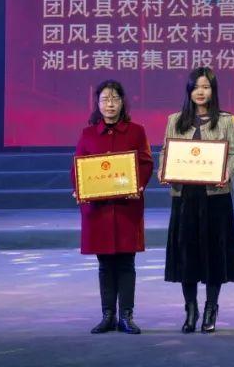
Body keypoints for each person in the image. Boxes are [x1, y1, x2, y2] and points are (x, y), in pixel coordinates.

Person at [160, 67, 234, 334]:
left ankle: (211, 307)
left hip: (215, 198)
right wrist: (164, 170)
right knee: (187, 255)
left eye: (205, 86)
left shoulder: (227, 121)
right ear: (189, 90)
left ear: (213, 90)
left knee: (214, 255)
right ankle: (191, 309)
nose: (200, 91)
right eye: (196, 86)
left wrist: (227, 173)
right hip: (185, 198)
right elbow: (166, 152)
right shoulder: (175, 120)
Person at [72, 80, 154, 335]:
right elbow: (78, 166)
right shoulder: (88, 134)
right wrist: (80, 188)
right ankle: (108, 315)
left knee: (127, 263)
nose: (110, 104)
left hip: (127, 208)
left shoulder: (136, 131)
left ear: (122, 102)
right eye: (105, 99)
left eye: (115, 99)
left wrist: (137, 185)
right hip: (99, 210)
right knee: (105, 264)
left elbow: (146, 163)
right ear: (97, 104)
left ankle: (126, 316)